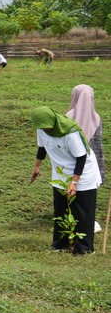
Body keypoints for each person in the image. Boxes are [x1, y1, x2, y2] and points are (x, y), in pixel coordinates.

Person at [29, 106, 102, 255]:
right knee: (61, 209)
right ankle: (60, 243)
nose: (45, 130)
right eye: (41, 127)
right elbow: (41, 147)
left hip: (82, 173)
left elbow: (81, 157)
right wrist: (37, 167)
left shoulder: (70, 132)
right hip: (60, 173)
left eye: (47, 127)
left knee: (82, 212)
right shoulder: (41, 129)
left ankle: (84, 248)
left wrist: (74, 182)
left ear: (53, 121)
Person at [67, 84, 104, 182]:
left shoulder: (68, 117)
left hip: (71, 161)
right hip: (91, 163)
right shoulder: (96, 118)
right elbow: (97, 144)